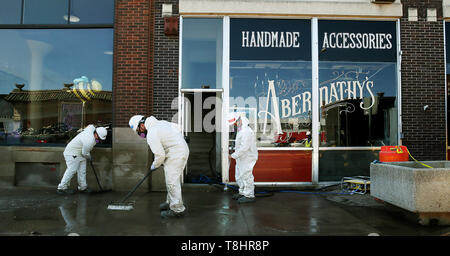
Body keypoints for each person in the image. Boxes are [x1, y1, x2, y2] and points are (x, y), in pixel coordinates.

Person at [129, 115, 189, 218]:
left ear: (142, 125)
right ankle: (170, 202)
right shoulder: (161, 123)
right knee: (171, 180)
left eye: (138, 131)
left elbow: (160, 155)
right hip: (180, 151)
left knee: (172, 182)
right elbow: (178, 128)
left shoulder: (152, 132)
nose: (140, 133)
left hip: (175, 154)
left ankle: (177, 210)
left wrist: (154, 165)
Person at [57, 125, 108, 195]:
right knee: (72, 170)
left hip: (80, 152)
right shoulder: (89, 140)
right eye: (99, 138)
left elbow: (90, 126)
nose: (99, 140)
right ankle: (62, 188)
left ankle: (83, 187)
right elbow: (85, 153)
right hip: (72, 152)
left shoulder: (92, 129)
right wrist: (89, 157)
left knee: (82, 171)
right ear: (96, 134)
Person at [228, 113, 258, 203]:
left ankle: (249, 195)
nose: (236, 124)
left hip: (247, 157)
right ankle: (242, 192)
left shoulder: (246, 131)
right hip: (242, 157)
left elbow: (245, 147)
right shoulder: (242, 131)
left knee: (246, 175)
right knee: (240, 175)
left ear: (240, 120)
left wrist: (233, 155)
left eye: (236, 122)